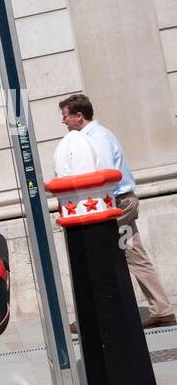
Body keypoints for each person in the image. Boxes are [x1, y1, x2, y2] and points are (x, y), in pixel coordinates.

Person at [60, 93, 174, 330]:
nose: (64, 122)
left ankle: (97, 316)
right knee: (134, 256)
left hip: (115, 205)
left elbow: (102, 175)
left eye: (66, 116)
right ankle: (162, 309)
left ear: (79, 116)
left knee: (98, 255)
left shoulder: (95, 139)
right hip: (120, 203)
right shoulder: (98, 134)